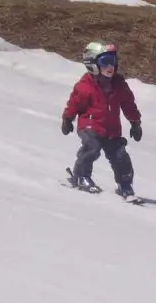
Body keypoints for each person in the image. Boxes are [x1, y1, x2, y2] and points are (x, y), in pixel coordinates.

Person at [61, 40, 143, 201]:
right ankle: (81, 176)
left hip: (112, 129)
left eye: (112, 61)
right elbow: (74, 103)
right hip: (90, 125)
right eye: (105, 62)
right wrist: (68, 118)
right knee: (92, 147)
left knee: (120, 156)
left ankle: (125, 184)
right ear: (92, 64)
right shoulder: (85, 86)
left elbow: (128, 104)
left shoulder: (119, 85)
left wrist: (135, 122)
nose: (110, 67)